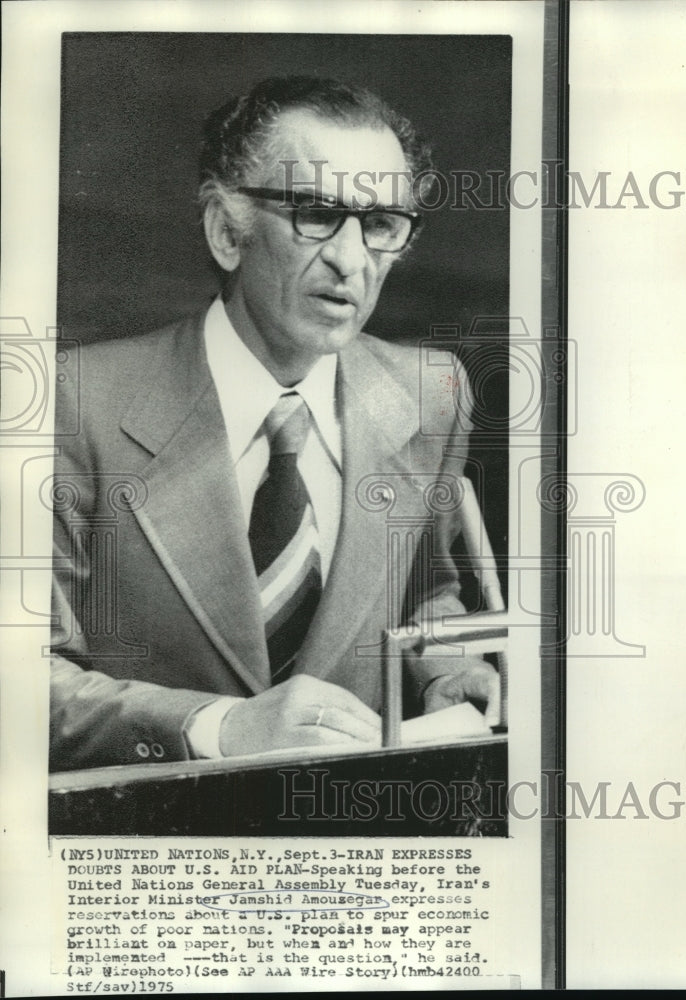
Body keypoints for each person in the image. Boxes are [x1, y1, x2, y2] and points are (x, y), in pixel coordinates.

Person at [49, 76, 499, 772]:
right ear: (227, 231)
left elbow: (422, 589)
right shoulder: (72, 403)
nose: (352, 261)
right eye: (316, 213)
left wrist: (445, 669)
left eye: (380, 224)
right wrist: (222, 727)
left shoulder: (430, 392)